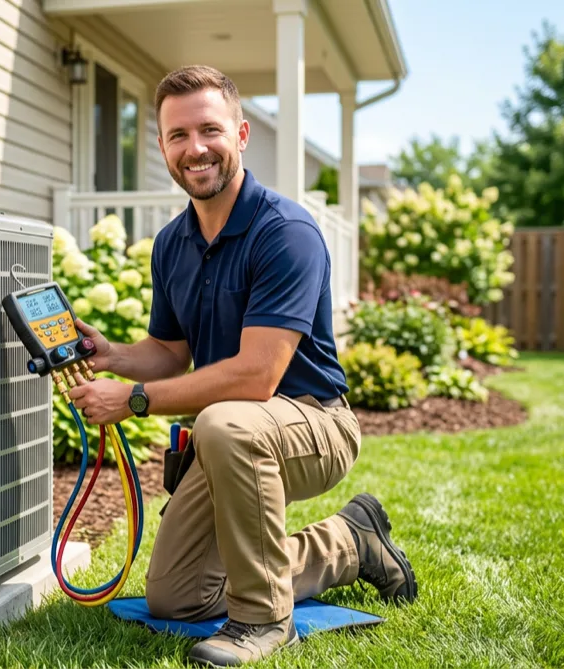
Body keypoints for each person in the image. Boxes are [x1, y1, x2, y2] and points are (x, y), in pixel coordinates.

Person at [65, 65, 417, 667]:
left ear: (242, 134)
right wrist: (113, 356)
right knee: (176, 597)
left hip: (314, 422)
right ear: (162, 147)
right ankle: (351, 542)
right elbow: (171, 352)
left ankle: (263, 619)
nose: (195, 148)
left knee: (225, 422)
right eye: (178, 136)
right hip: (235, 431)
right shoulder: (173, 242)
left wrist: (133, 400)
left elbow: (257, 377)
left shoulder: (286, 233)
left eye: (210, 130)